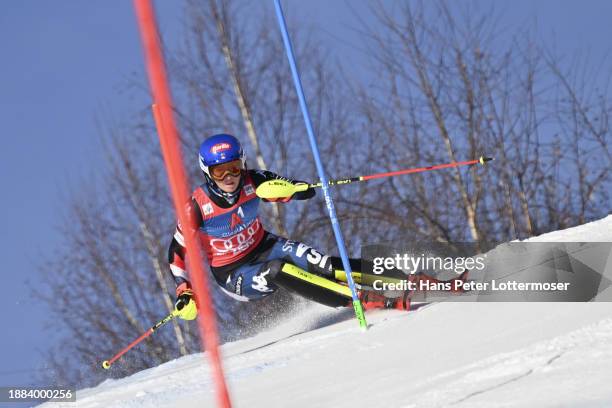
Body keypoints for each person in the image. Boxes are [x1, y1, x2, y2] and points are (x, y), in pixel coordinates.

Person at [168, 134, 463, 320]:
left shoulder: (253, 180)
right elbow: (176, 253)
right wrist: (184, 290)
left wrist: (290, 189)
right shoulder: (197, 206)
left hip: (264, 245)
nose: (230, 177)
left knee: (320, 262)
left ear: (242, 163)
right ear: (208, 172)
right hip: (234, 274)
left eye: (234, 167)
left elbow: (302, 191)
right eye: (221, 172)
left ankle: (412, 281)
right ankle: (361, 298)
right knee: (279, 271)